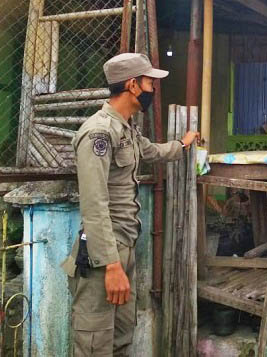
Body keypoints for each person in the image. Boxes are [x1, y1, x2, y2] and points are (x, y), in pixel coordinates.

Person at [61, 53, 198, 357]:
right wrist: (111, 265)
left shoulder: (126, 128)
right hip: (102, 256)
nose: (153, 89)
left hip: (125, 247)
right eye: (150, 82)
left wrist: (185, 144)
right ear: (133, 85)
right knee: (95, 344)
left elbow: (151, 151)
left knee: (122, 338)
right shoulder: (98, 133)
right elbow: (94, 205)